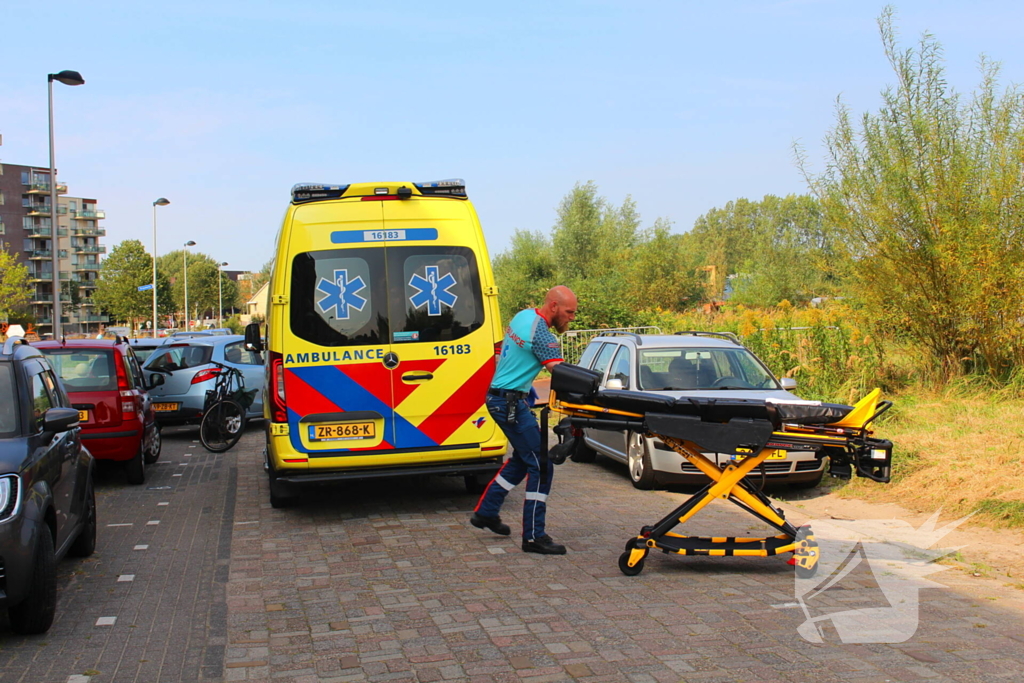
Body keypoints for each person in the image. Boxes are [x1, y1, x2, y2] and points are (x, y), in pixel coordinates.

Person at [471, 285, 578, 555]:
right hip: (509, 404)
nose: (572, 318)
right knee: (541, 466)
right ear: (553, 306)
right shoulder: (541, 332)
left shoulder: (523, 316)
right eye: (569, 312)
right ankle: (533, 536)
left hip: (501, 399)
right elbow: (560, 373)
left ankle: (486, 512)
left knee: (523, 459)